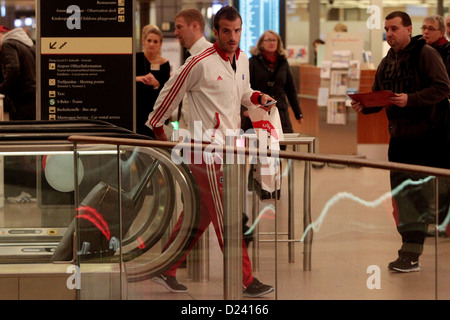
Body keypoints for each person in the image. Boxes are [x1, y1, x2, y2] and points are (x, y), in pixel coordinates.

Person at [147, 5, 274, 298]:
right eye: (226, 31)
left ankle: (164, 266)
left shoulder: (241, 60)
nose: (233, 37)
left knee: (200, 214)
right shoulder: (198, 63)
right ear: (215, 32)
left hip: (230, 150)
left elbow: (241, 92)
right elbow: (167, 97)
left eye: (237, 31)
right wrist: (160, 131)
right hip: (204, 152)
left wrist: (257, 97)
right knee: (226, 214)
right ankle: (246, 279)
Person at [351, 11, 450, 273]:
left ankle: (410, 254)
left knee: (419, 198)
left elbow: (442, 87)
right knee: (402, 197)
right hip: (399, 140)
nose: (389, 33)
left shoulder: (426, 54)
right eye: (386, 29)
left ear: (408, 29)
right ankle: (409, 251)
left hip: (428, 139)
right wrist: (365, 106)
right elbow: (379, 96)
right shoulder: (386, 62)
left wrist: (411, 99)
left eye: (394, 28)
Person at [242, 30, 303, 144]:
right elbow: (245, 87)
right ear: (261, 43)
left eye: (274, 40)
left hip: (279, 111)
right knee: (259, 147)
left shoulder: (283, 62)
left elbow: (290, 89)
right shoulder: (253, 62)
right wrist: (245, 110)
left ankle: (278, 163)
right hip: (258, 111)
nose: (271, 43)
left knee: (279, 145)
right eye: (268, 40)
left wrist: (298, 113)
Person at [420, 15, 450, 234]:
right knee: (429, 170)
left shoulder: (447, 53)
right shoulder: (420, 51)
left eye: (431, 28)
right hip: (426, 122)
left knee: (442, 171)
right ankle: (431, 215)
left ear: (441, 32)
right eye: (424, 28)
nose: (426, 32)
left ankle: (442, 220)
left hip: (443, 121)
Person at [173, 9, 212, 129]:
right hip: (188, 128)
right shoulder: (191, 54)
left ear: (194, 26)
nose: (175, 32)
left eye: (180, 27)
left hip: (203, 132)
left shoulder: (210, 56)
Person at [135, 24, 170, 137]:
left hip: (155, 110)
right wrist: (139, 79)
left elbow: (166, 89)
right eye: (149, 40)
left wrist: (156, 84)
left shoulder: (164, 64)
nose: (151, 44)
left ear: (160, 44)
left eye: (155, 41)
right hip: (137, 108)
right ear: (143, 41)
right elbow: (124, 79)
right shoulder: (136, 58)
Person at [0, 26, 35, 120]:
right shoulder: (26, 44)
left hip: (21, 96)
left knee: (19, 130)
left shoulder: (7, 44)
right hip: (32, 94)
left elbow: (13, 68)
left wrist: (3, 88)